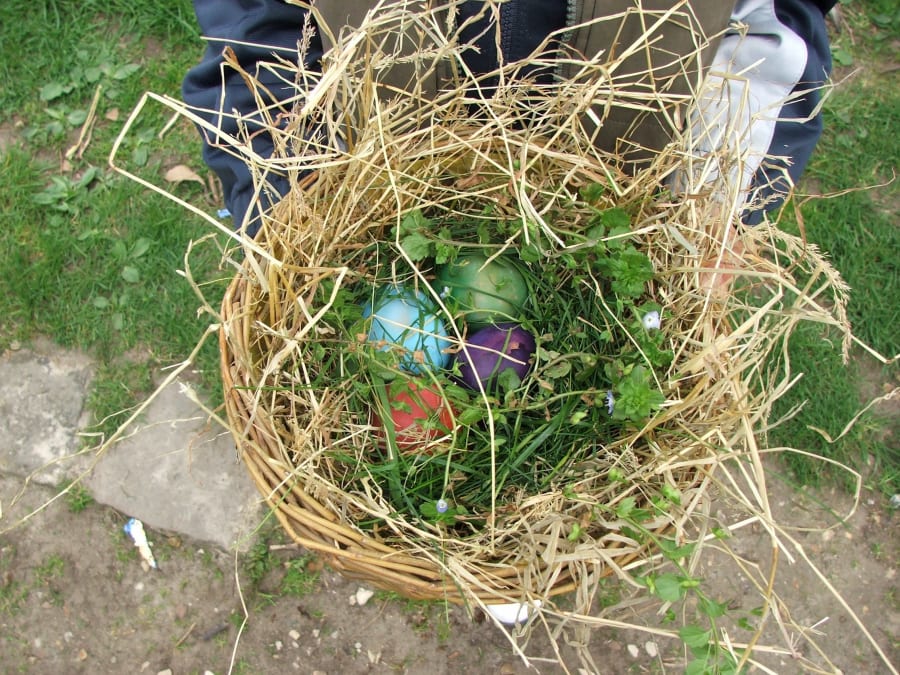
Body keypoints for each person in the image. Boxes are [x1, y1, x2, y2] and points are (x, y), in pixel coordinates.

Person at [182, 0, 836, 236]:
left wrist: (718, 203)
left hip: (620, 195)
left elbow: (774, 22)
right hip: (377, 195)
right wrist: (280, 191)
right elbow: (255, 29)